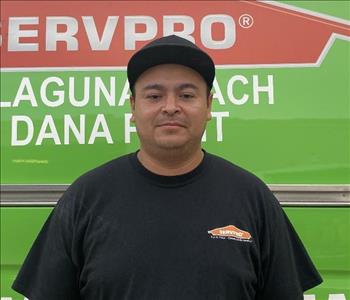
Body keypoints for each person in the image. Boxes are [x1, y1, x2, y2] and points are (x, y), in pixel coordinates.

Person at [12, 35, 322, 300]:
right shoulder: (85, 198)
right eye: (154, 95)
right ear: (133, 107)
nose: (170, 106)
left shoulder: (253, 198)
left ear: (209, 106)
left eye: (186, 95)